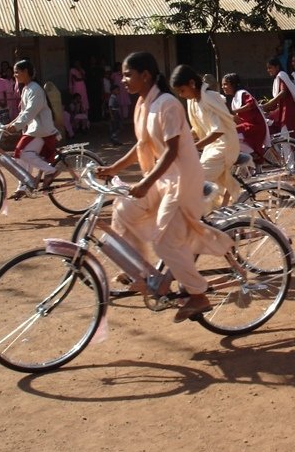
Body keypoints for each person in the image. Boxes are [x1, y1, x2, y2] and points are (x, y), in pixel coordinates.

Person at [96, 52, 232, 322]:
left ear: (145, 75)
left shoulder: (167, 103)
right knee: (124, 207)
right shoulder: (144, 104)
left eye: (127, 74)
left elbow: (170, 152)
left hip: (182, 181)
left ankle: (197, 295)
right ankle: (140, 272)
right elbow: (142, 146)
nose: (122, 80)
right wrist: (113, 169)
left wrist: (145, 183)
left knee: (164, 242)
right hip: (163, 179)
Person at [171, 64, 240, 206]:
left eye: (182, 90)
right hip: (212, 148)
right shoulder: (193, 102)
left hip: (224, 146)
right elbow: (198, 129)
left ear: (192, 83)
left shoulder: (209, 97)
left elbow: (219, 130)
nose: (181, 95)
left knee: (197, 182)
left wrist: (194, 146)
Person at [4, 59, 60, 200]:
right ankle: (24, 186)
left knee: (21, 152)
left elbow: (30, 112)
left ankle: (50, 171)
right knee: (21, 156)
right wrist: (8, 125)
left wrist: (15, 126)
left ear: (25, 72)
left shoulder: (35, 89)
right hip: (34, 129)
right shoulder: (27, 89)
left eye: (17, 72)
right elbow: (23, 113)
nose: (15, 75)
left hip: (41, 130)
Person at [221, 72, 270, 163]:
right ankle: (251, 154)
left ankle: (252, 154)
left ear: (233, 84)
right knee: (228, 133)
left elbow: (251, 104)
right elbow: (238, 119)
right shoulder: (234, 99)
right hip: (247, 126)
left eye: (225, 84)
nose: (223, 87)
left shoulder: (242, 93)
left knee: (229, 134)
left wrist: (235, 111)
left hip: (255, 126)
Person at [261, 57, 295, 138]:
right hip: (284, 109)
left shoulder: (281, 75)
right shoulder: (278, 77)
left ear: (277, 67)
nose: (268, 70)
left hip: (288, 110)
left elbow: (283, 93)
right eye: (267, 68)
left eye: (270, 67)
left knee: (286, 138)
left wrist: (267, 105)